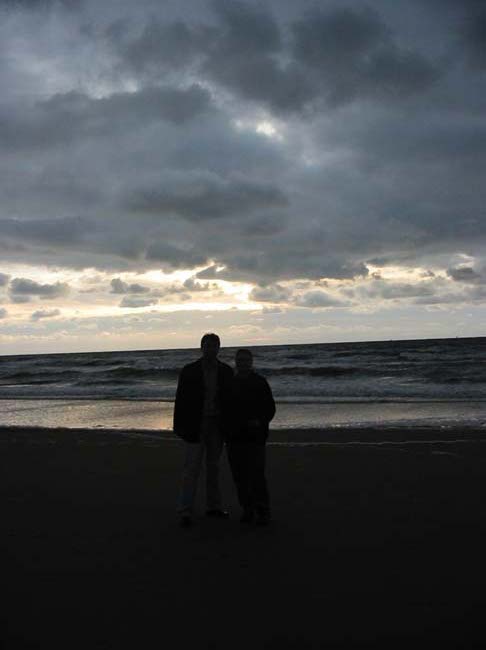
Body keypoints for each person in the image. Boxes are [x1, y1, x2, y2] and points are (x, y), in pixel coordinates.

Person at [173, 333, 233, 527]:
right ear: (201, 347)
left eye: (214, 346)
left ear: (219, 348)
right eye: (208, 345)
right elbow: (180, 401)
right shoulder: (189, 371)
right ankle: (185, 510)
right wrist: (179, 426)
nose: (211, 349)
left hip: (217, 426)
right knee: (191, 469)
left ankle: (213, 507)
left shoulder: (226, 371)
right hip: (195, 425)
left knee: (214, 468)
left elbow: (231, 401)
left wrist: (230, 426)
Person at [227, 348, 276, 526]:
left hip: (255, 437)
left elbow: (270, 408)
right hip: (234, 438)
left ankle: (263, 511)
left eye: (246, 360)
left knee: (257, 476)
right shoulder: (230, 383)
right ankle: (247, 509)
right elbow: (224, 409)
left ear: (251, 362)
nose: (243, 363)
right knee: (239, 477)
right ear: (236, 362)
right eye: (240, 360)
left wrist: (260, 422)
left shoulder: (260, 382)